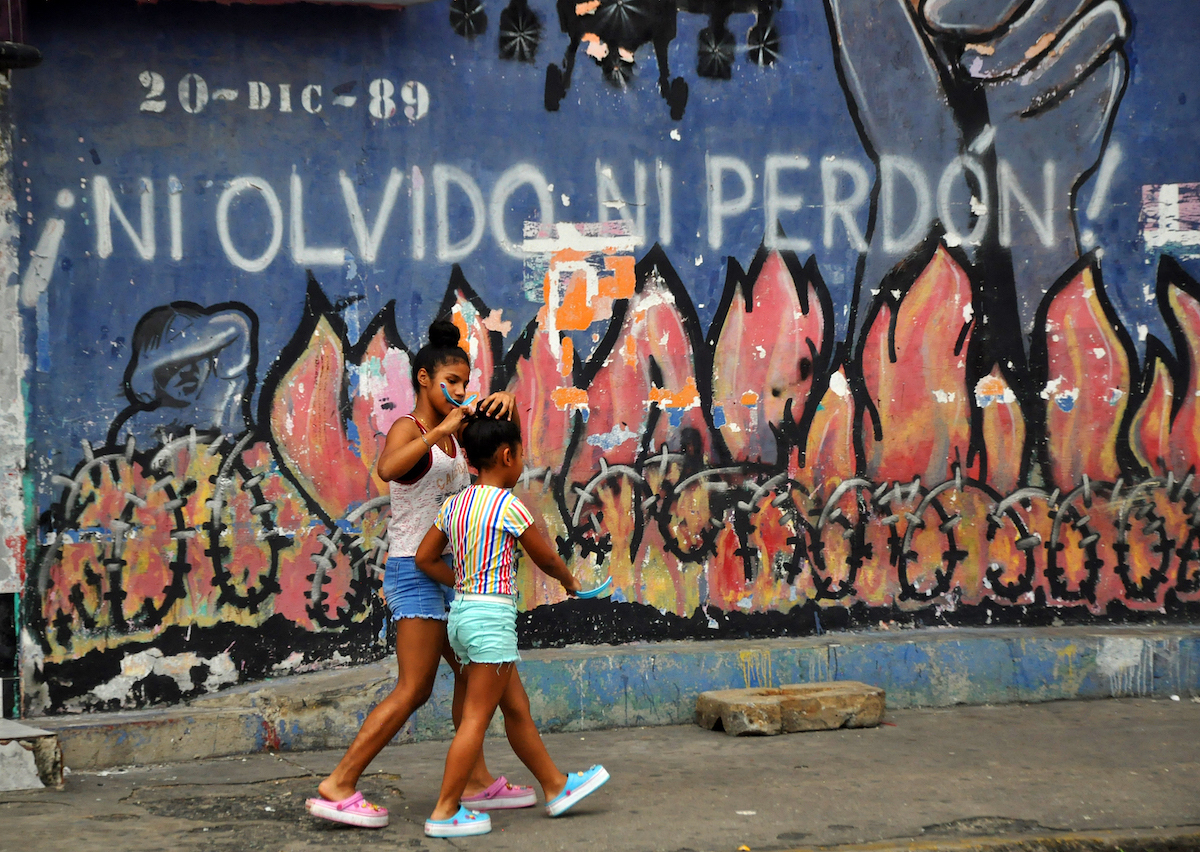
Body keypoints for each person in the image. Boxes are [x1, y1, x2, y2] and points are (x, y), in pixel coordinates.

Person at [306, 320, 536, 828]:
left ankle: (474, 782)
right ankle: (339, 784)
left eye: (464, 382)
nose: (459, 391)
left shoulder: (458, 436)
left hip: (449, 574)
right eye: (449, 382)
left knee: (471, 676)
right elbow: (388, 469)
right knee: (414, 687)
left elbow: (504, 452)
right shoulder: (412, 427)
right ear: (424, 378)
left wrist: (506, 403)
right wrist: (440, 431)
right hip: (413, 571)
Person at [415, 414, 609, 838]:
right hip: (490, 620)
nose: (521, 460)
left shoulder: (455, 505)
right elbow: (546, 557)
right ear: (507, 456)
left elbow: (424, 559)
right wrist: (570, 581)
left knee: (515, 709)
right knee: (476, 719)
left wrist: (464, 582)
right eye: (520, 454)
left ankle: (556, 786)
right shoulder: (507, 505)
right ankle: (445, 812)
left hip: (463, 617)